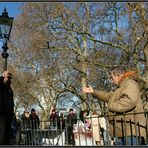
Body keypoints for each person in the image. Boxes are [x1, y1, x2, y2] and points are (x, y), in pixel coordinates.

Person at [82, 66, 146, 145]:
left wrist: (110, 106)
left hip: (131, 131)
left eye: (112, 77)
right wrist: (93, 91)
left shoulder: (130, 84)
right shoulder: (121, 87)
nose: (111, 80)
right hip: (124, 130)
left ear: (118, 76)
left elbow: (129, 101)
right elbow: (109, 96)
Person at [0, 71, 14, 144]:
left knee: (7, 132)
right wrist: (2, 77)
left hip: (8, 113)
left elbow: (11, 101)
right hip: (1, 112)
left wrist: (12, 112)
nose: (9, 79)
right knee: (1, 131)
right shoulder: (1, 85)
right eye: (7, 77)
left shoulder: (10, 89)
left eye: (10, 78)